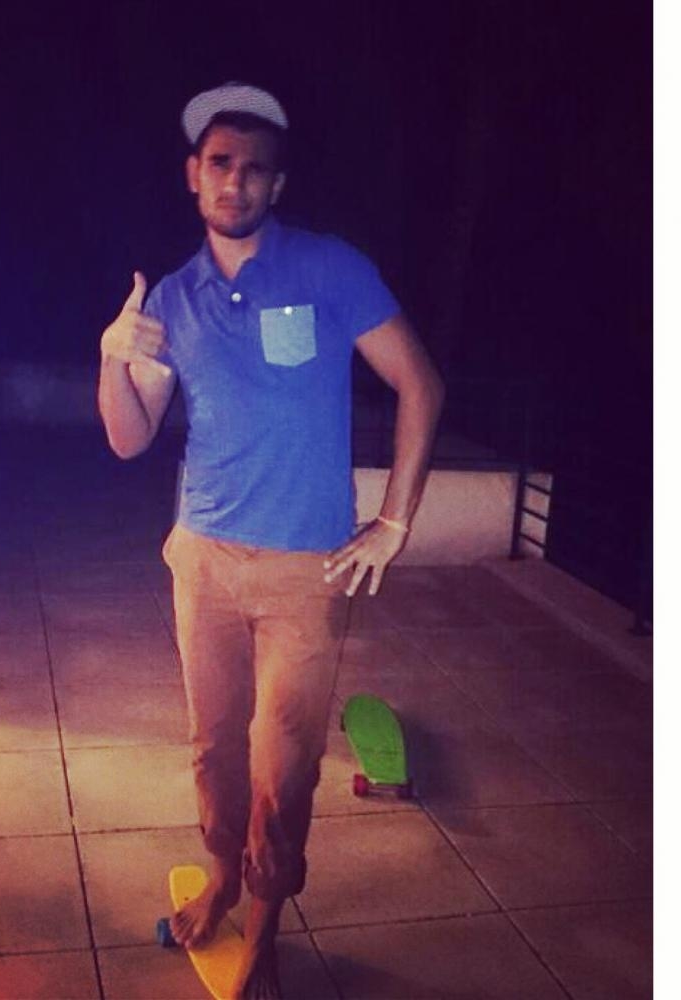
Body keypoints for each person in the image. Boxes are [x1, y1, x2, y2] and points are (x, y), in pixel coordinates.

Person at [97, 82, 444, 1000]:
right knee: (213, 749)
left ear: (276, 186)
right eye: (220, 163)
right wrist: (111, 357)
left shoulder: (330, 269)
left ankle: (266, 922)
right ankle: (220, 876)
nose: (235, 181)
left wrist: (394, 521)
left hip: (304, 568)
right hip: (204, 559)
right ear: (194, 174)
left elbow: (420, 382)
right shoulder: (173, 300)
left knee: (283, 764)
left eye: (255, 169)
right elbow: (129, 437)